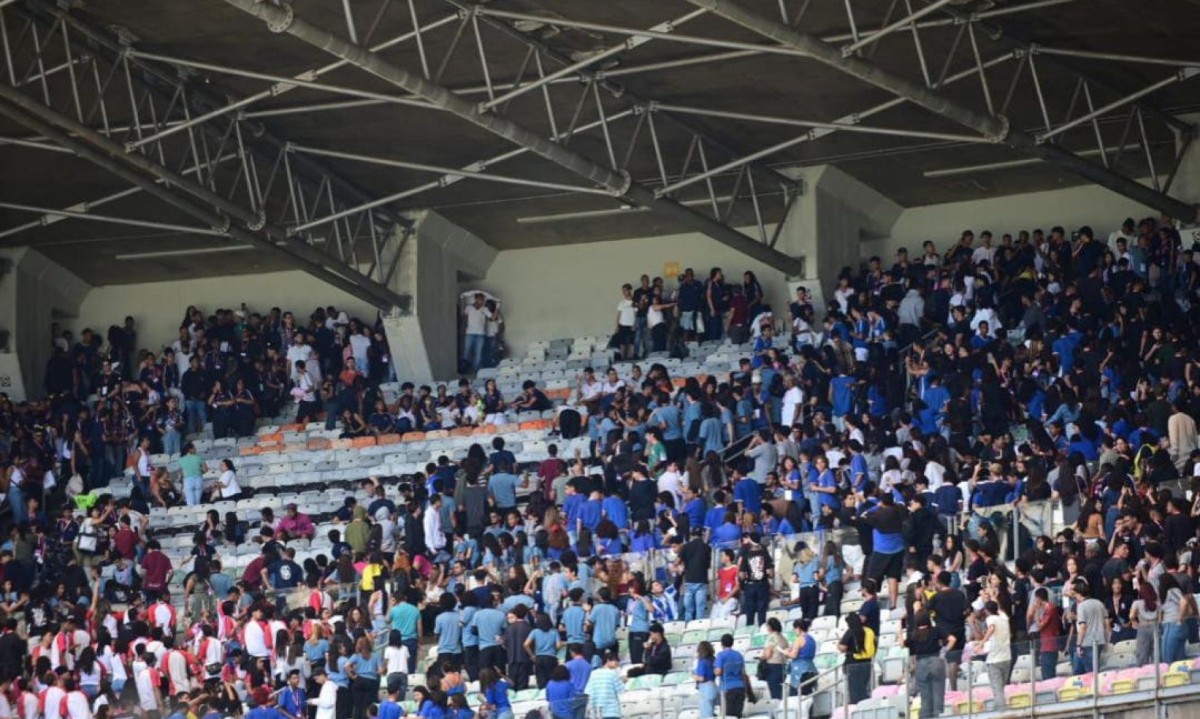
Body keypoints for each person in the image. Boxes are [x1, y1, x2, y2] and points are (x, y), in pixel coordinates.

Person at [975, 600, 1011, 711]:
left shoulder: (990, 619)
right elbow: (1000, 610)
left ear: (986, 611)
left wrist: (981, 642)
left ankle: (1001, 713)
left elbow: (991, 628)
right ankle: (1000, 710)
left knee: (997, 690)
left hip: (994, 659)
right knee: (1001, 689)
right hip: (1006, 657)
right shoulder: (1004, 618)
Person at [838, 613, 874, 704]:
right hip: (867, 663)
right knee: (864, 688)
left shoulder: (851, 631)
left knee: (854, 690)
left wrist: (838, 643)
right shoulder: (868, 631)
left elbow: (842, 647)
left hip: (853, 664)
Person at [713, 634, 747, 718]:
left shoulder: (721, 655)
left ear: (722, 644)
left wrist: (713, 670)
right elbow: (743, 672)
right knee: (738, 714)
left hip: (727, 688)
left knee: (729, 716)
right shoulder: (739, 655)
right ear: (732, 643)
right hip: (740, 687)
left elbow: (718, 671)